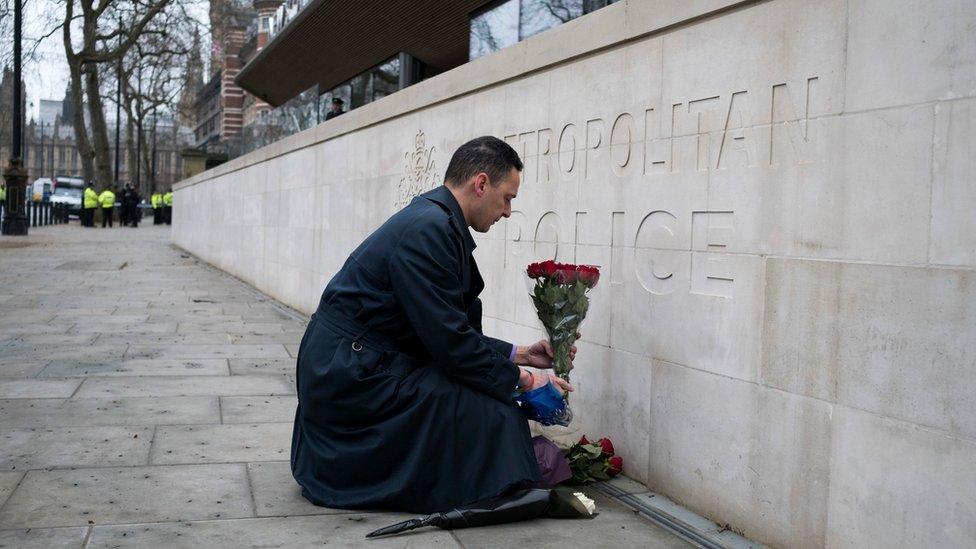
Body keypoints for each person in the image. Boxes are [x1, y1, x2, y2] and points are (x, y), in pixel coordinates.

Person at [291, 136, 575, 515]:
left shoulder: (436, 221)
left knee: (491, 403)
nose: (507, 212)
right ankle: (489, 480)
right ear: (480, 184)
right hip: (352, 376)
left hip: (361, 361)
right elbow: (450, 343)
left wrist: (520, 354)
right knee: (494, 412)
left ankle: (494, 472)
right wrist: (524, 380)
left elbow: (444, 327)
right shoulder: (429, 228)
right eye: (507, 197)